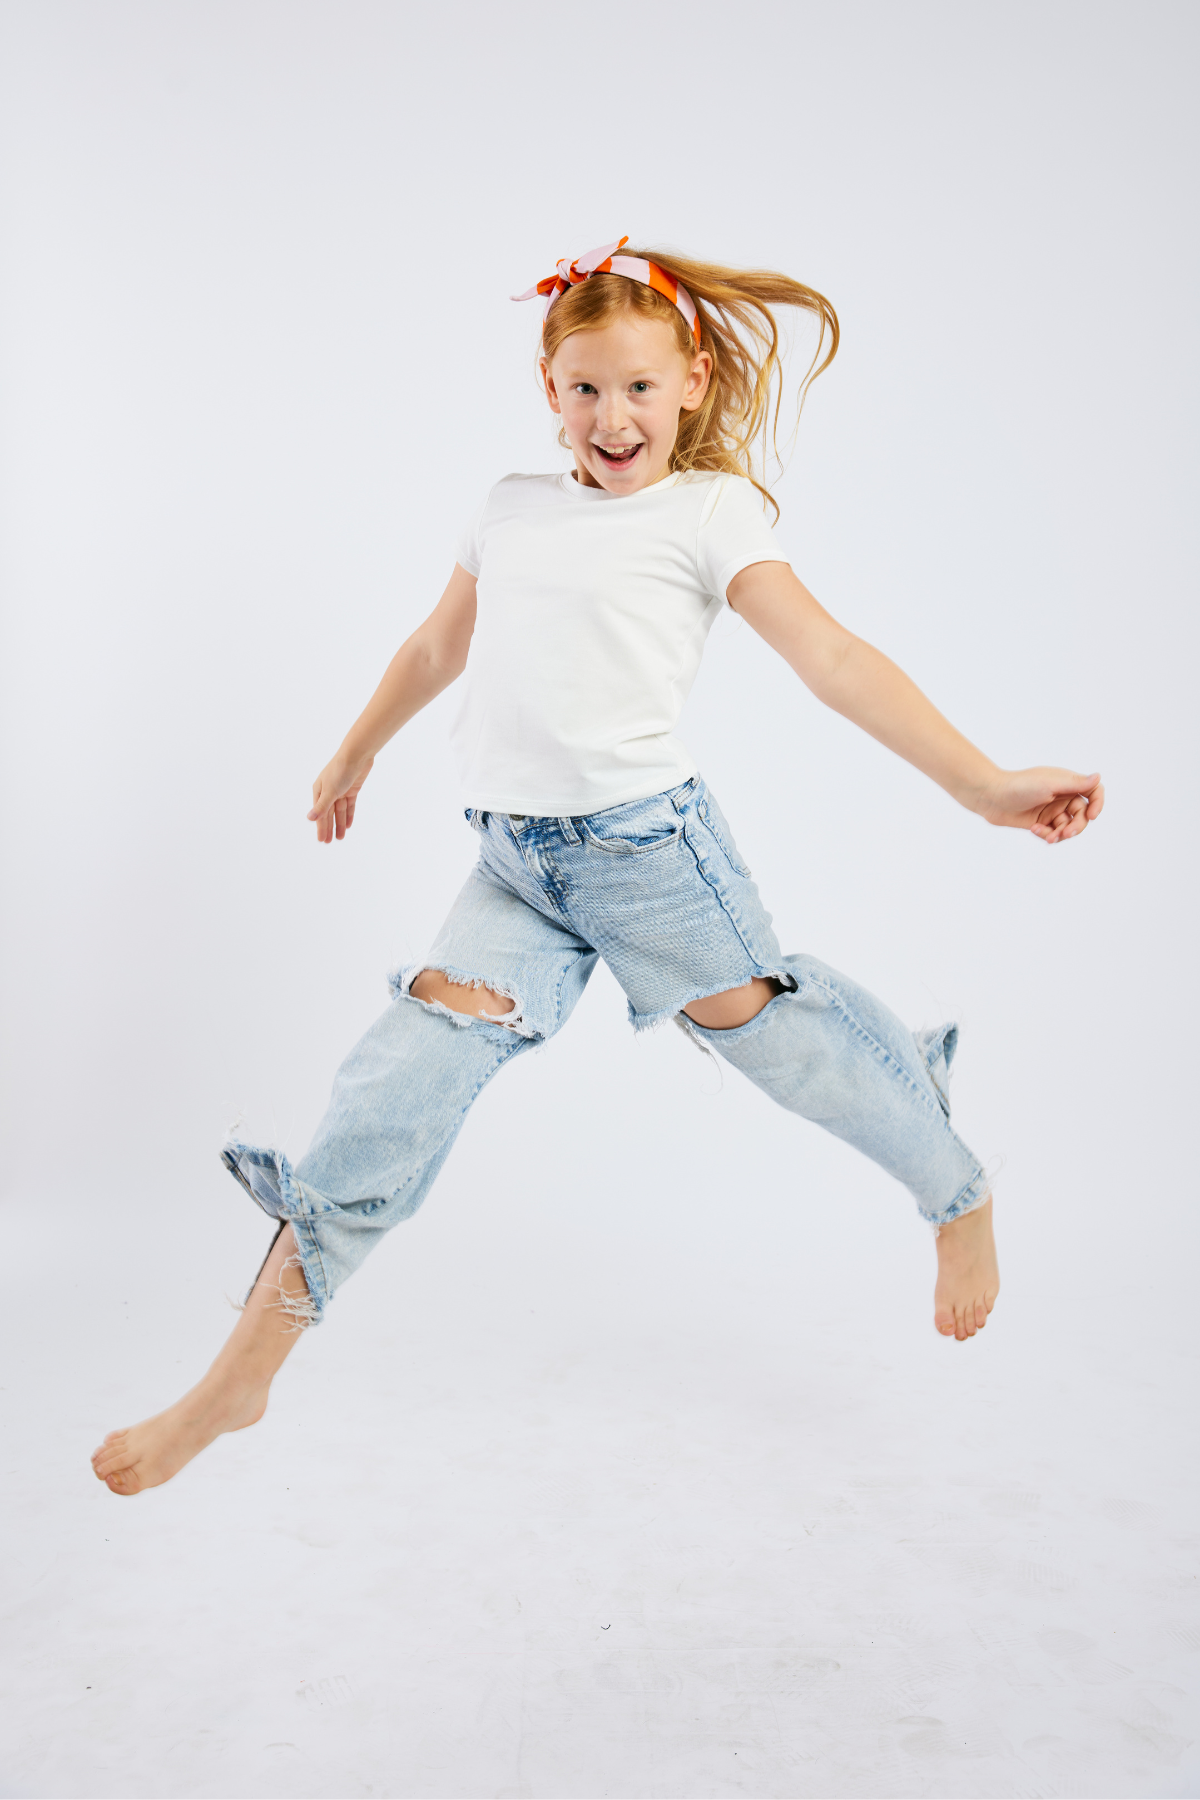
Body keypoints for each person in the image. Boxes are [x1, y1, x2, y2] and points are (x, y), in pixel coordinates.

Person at [92, 238, 1103, 1497]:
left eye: (637, 388)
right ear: (548, 386)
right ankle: (247, 1366)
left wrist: (983, 783)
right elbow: (430, 648)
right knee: (401, 1076)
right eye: (583, 389)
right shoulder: (510, 506)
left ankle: (954, 1191)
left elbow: (835, 661)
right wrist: (352, 752)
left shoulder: (712, 514)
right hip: (514, 864)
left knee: (782, 1045)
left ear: (690, 379)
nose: (610, 417)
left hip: (650, 858)